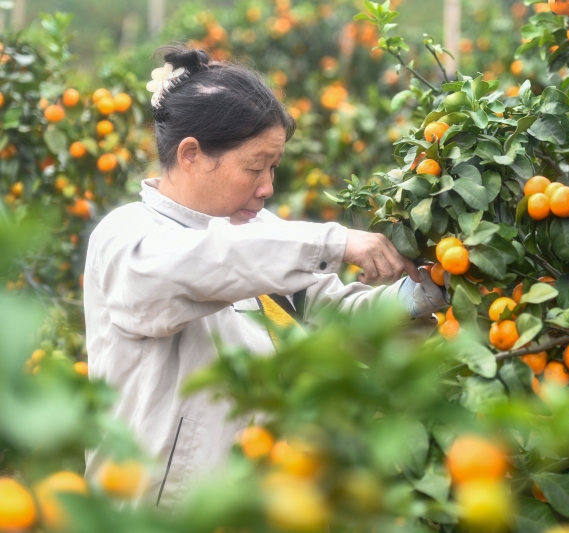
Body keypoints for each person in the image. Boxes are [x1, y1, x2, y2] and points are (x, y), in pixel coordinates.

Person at [83, 45, 447, 512]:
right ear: (191, 154)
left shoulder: (259, 232)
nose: (267, 188)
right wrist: (334, 242)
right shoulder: (127, 237)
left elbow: (333, 313)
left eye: (272, 168)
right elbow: (199, 265)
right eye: (255, 168)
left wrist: (421, 294)